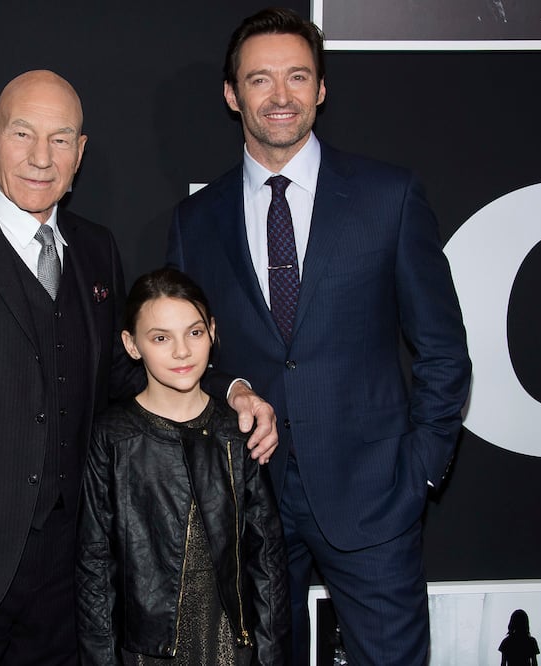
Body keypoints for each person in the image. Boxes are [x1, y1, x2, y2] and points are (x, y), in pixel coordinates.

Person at [0, 70, 277, 665]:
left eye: (61, 139)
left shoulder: (96, 248)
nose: (41, 157)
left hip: (72, 572)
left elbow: (128, 372)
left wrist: (230, 389)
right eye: (22, 134)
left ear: (80, 153)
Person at [167, 8, 472, 665]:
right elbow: (186, 360)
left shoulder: (388, 197)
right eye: (259, 80)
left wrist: (419, 471)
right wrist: (236, 385)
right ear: (231, 95)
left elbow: (442, 348)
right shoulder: (196, 221)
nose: (280, 96)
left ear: (321, 88)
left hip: (374, 497)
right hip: (249, 498)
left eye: (297, 77)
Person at [76, 267, 290, 665]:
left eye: (194, 332)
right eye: (161, 338)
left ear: (211, 330)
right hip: (145, 653)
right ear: (132, 344)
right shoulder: (112, 436)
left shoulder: (239, 430)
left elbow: (268, 564)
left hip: (231, 647)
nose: (181, 351)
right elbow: (94, 569)